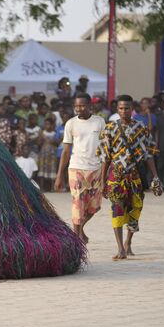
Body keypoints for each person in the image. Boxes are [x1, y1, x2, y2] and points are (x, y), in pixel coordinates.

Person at [97, 95, 162, 260]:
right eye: (120, 108)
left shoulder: (141, 128)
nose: (124, 111)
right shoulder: (109, 128)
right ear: (117, 109)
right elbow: (106, 157)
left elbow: (148, 155)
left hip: (134, 176)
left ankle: (128, 242)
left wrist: (155, 177)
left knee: (135, 209)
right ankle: (120, 248)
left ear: (132, 109)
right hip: (116, 176)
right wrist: (102, 180)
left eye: (127, 108)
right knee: (117, 209)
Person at [55, 92, 106, 244]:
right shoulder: (71, 123)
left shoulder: (100, 122)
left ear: (90, 106)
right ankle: (75, 238)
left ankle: (80, 228)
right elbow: (65, 151)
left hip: (96, 169)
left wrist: (104, 175)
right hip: (76, 167)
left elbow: (105, 149)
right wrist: (59, 175)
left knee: (94, 206)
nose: (79, 108)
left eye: (82, 105)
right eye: (76, 106)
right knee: (78, 202)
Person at [37, 118, 58, 191]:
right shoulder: (42, 133)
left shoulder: (54, 133)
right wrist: (41, 137)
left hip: (52, 153)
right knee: (43, 168)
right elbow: (39, 143)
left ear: (52, 125)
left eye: (48, 124)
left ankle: (52, 187)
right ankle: (42, 187)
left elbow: (57, 143)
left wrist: (52, 141)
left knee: (52, 169)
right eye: (45, 124)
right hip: (44, 153)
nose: (47, 126)